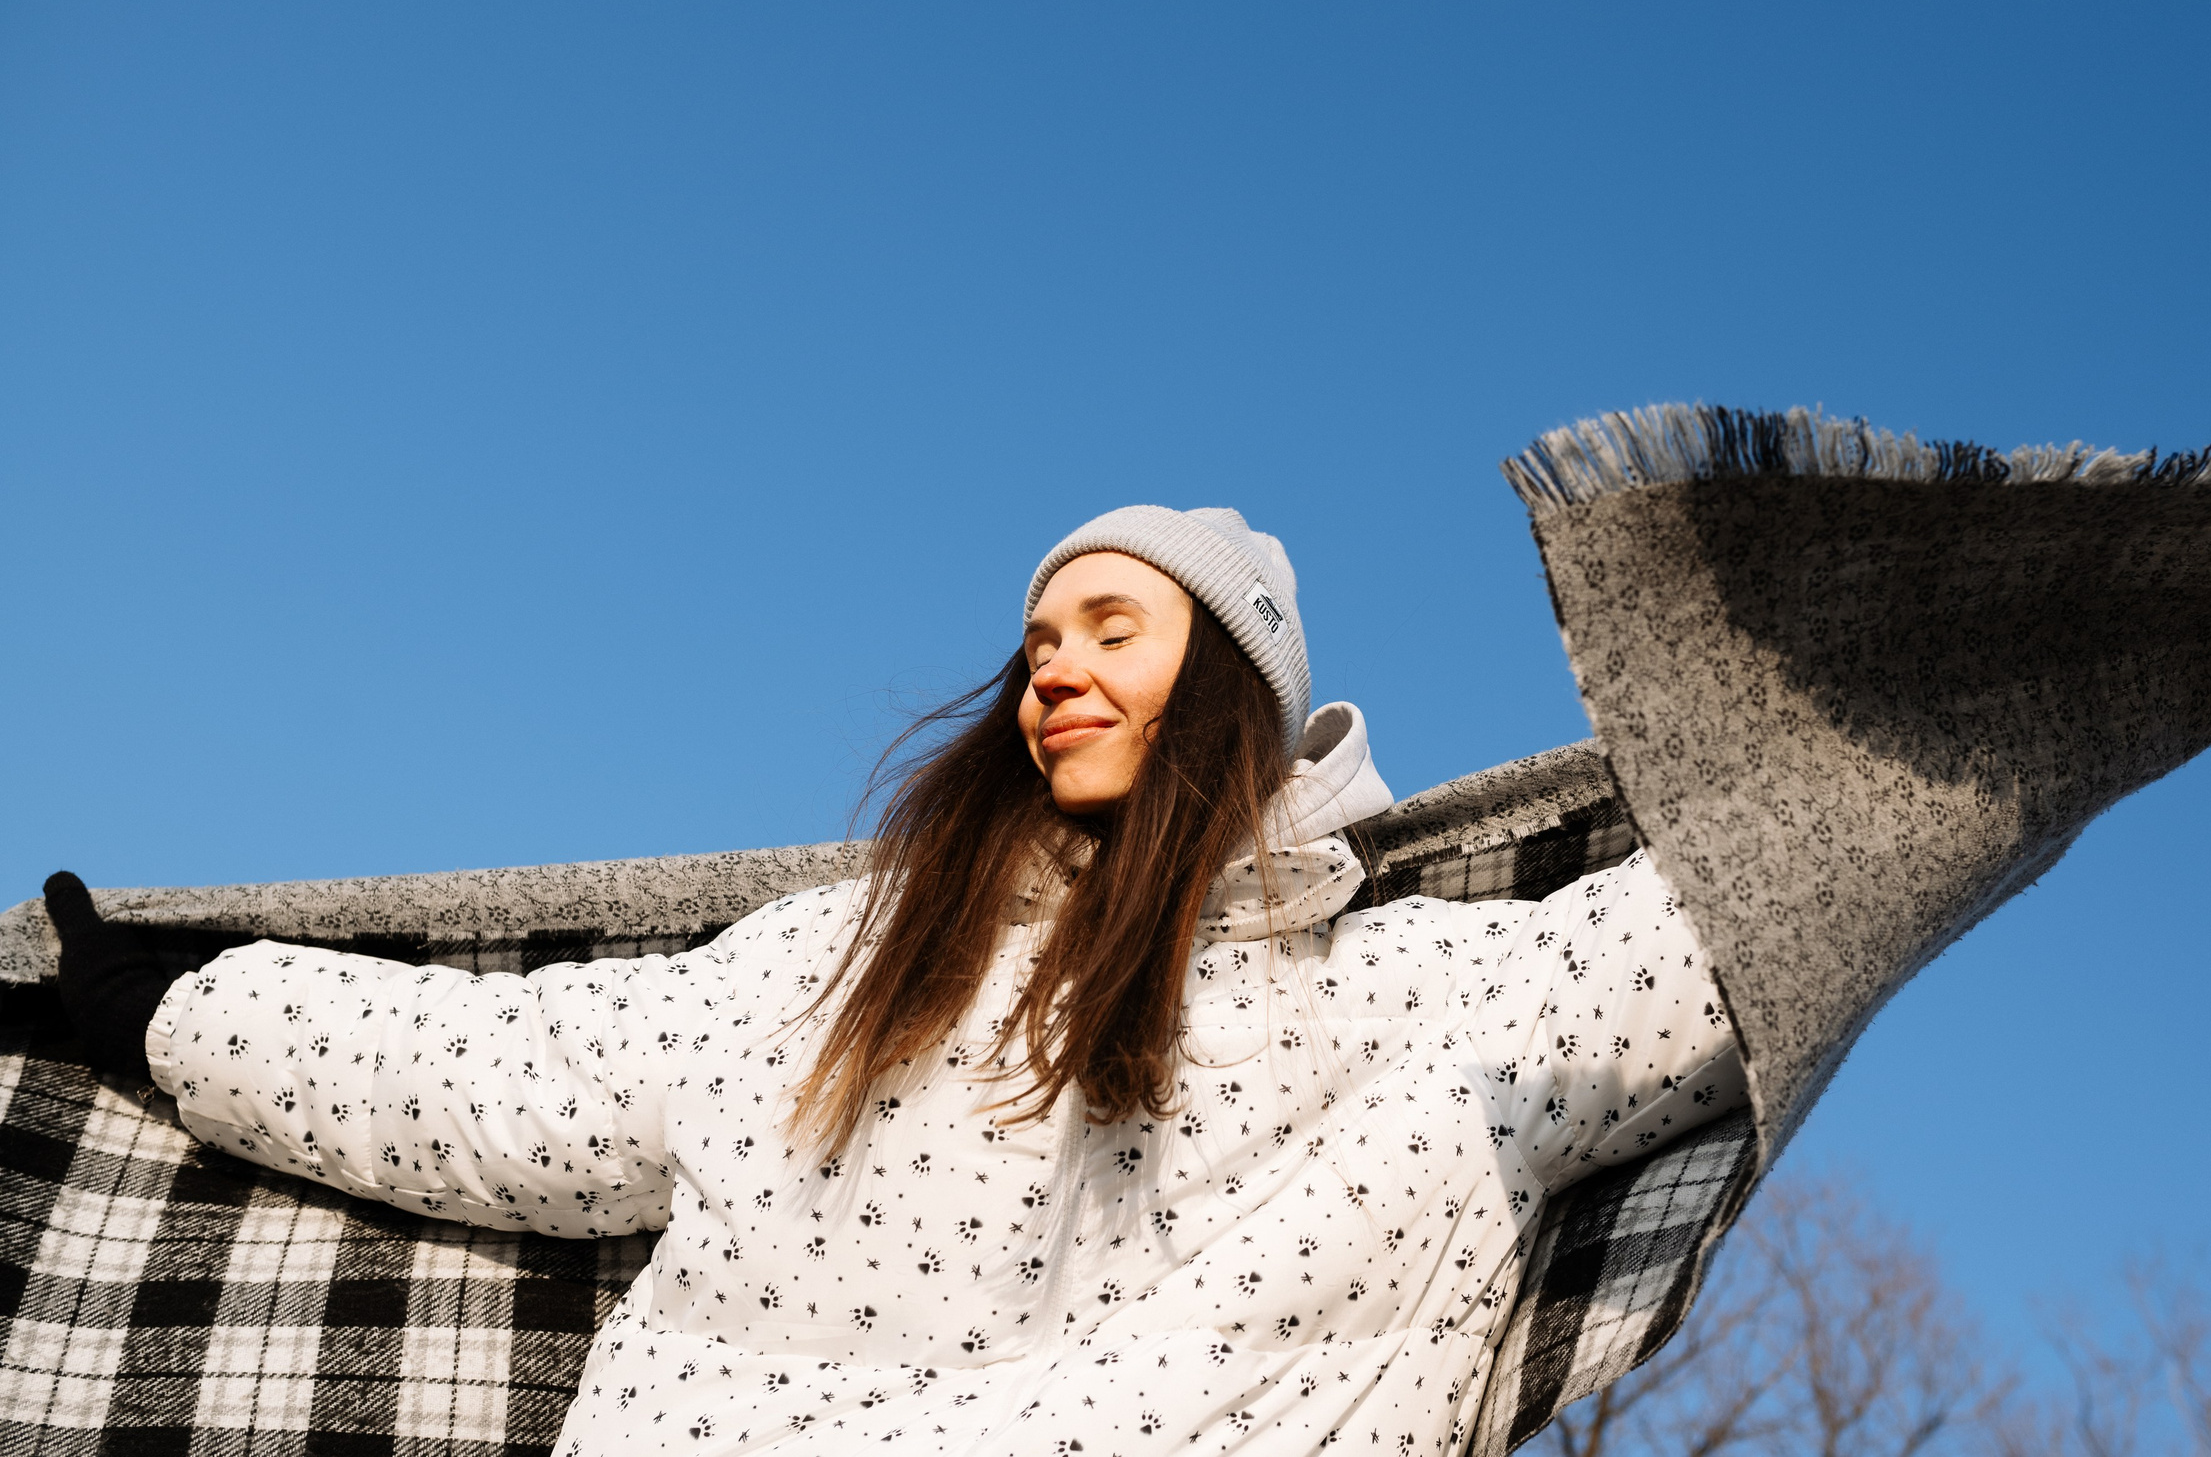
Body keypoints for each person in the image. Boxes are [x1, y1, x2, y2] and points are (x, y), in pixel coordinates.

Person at [46, 505, 1744, 1457]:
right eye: (1037, 648)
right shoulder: (846, 968)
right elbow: (514, 1072)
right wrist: (174, 1004)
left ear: (1226, 679)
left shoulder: (1385, 991)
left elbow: (1720, 933)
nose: (1053, 676)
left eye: (1108, 629)